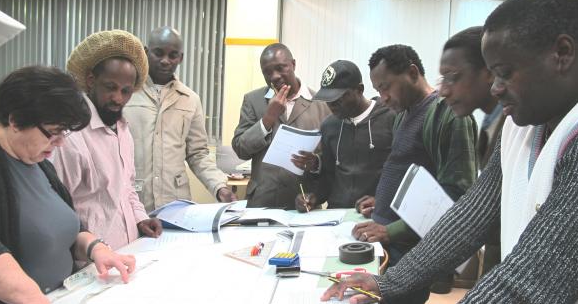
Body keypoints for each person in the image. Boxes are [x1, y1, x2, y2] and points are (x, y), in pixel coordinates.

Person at [317, 0, 578, 304]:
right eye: (492, 74)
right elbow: (467, 219)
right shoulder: (521, 127)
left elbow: (526, 293)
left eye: (505, 73)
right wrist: (389, 283)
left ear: (562, 53)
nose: (496, 88)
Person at [0, 66, 135, 304]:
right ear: (16, 120)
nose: (60, 144)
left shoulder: (39, 162)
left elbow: (64, 223)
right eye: (54, 133)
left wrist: (96, 247)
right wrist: (29, 297)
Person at [354, 44, 478, 304]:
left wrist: (390, 229)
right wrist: (382, 202)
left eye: (386, 87)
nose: (382, 98)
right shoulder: (403, 115)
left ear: (411, 73)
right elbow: (413, 175)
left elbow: (457, 195)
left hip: (410, 253)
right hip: (387, 246)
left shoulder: (448, 115)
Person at [52, 30, 162, 250]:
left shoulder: (122, 130)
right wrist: (91, 250)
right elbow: (56, 207)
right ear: (91, 81)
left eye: (126, 91)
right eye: (110, 88)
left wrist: (140, 218)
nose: (118, 98)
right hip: (90, 264)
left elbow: (126, 186)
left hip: (129, 252)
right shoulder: (71, 136)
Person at [124, 26, 235, 213]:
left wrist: (219, 187)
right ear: (145, 52)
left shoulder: (190, 99)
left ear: (181, 58)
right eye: (158, 53)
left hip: (175, 203)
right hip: (134, 201)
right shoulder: (127, 93)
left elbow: (198, 154)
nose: (165, 61)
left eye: (173, 55)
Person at [439, 26, 505, 279]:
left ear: (488, 72)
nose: (444, 90)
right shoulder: (490, 124)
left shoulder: (519, 124)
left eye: (452, 77)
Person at [232, 43, 331, 209]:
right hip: (262, 203)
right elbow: (240, 149)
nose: (274, 76)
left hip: (304, 203)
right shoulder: (253, 100)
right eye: (267, 72)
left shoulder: (321, 104)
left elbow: (330, 157)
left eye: (280, 68)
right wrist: (268, 118)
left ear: (293, 64)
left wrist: (316, 163)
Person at [293, 60, 395, 211]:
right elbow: (328, 177)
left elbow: (400, 172)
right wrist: (313, 197)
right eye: (328, 99)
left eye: (339, 98)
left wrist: (382, 201)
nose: (332, 105)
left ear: (359, 90)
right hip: (336, 215)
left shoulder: (390, 117)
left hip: (375, 213)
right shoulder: (329, 126)